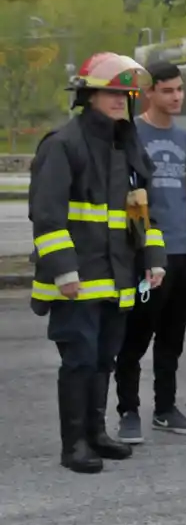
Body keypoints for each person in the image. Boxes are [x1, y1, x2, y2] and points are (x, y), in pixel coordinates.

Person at [29, 52, 166, 473]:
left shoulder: (124, 145)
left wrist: (153, 257)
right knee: (80, 360)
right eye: (110, 91)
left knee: (104, 359)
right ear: (88, 95)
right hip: (78, 279)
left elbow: (140, 210)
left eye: (124, 93)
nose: (118, 99)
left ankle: (96, 433)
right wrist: (64, 271)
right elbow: (47, 215)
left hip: (117, 277)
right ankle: (74, 445)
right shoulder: (63, 144)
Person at [112, 62, 186, 442]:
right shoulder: (132, 135)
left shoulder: (185, 141)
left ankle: (165, 408)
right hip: (147, 254)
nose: (177, 96)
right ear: (149, 93)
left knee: (173, 337)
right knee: (135, 336)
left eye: (180, 89)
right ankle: (128, 411)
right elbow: (126, 196)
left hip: (184, 252)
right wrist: (141, 250)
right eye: (167, 90)